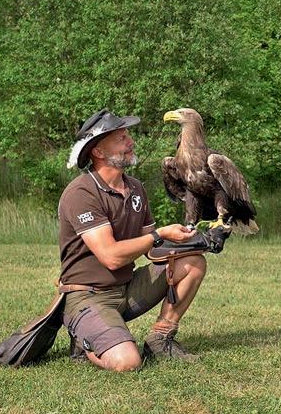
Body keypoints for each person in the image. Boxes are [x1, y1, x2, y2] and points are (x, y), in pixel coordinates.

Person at [58, 109, 207, 371]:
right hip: (87, 297)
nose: (131, 142)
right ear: (98, 151)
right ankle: (84, 341)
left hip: (126, 289)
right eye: (121, 138)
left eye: (128, 136)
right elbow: (111, 257)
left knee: (193, 262)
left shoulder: (135, 188)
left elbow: (152, 250)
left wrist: (194, 241)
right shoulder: (82, 192)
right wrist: (159, 234)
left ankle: (160, 339)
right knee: (128, 362)